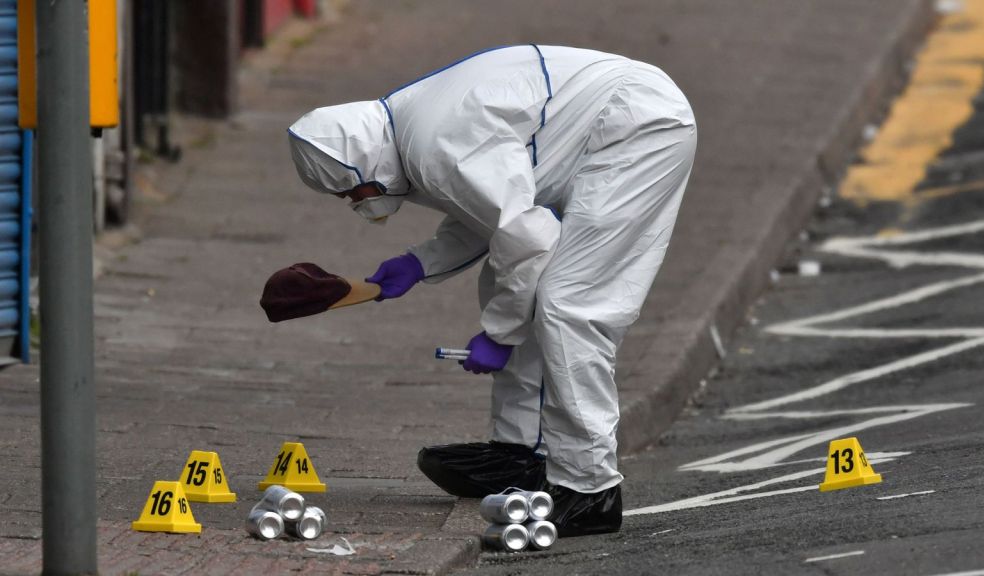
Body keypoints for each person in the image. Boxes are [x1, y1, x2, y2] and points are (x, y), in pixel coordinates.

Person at [288, 45, 696, 537]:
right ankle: (520, 455)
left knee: (570, 306)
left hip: (636, 129)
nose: (357, 202)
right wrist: (419, 264)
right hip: (614, 118)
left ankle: (590, 489)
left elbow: (526, 239)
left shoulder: (434, 146)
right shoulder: (408, 126)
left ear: (365, 164)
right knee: (521, 286)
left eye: (352, 190)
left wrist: (499, 336)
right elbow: (497, 213)